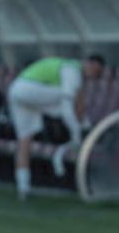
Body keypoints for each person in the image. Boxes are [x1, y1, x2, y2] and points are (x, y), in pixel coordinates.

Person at [7, 54, 106, 200]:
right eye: (95, 71)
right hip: (29, 90)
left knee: (24, 140)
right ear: (88, 63)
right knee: (72, 97)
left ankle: (23, 187)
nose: (93, 75)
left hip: (16, 90)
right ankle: (82, 131)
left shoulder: (65, 68)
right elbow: (67, 107)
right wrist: (76, 134)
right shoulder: (72, 71)